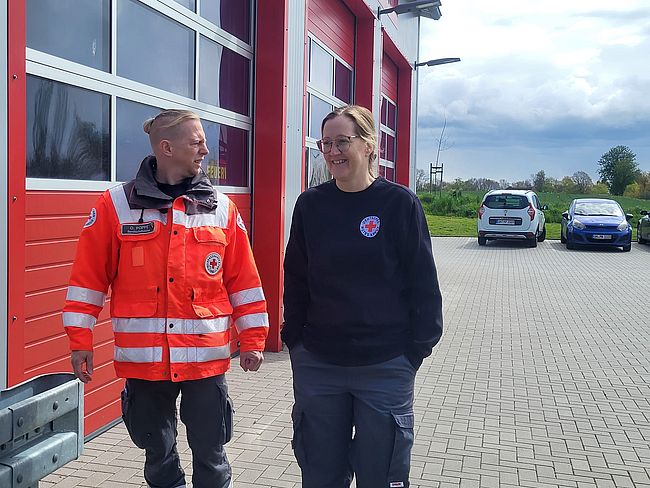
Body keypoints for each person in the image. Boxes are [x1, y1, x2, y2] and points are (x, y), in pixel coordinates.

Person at [63, 109, 268, 488]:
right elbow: (87, 280)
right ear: (166, 147)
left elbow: (245, 282)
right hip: (146, 365)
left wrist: (254, 339)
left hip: (204, 362)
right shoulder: (115, 206)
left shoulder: (221, 209)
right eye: (197, 141)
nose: (206, 149)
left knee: (211, 451)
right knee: (158, 453)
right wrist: (80, 340)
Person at [282, 105, 443, 488]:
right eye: (326, 143)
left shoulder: (398, 204)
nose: (334, 151)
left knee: (381, 475)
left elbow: (423, 283)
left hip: (385, 364)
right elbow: (297, 278)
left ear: (370, 145)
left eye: (343, 141)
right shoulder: (311, 205)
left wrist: (414, 351)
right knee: (320, 474)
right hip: (319, 364)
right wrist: (297, 343)